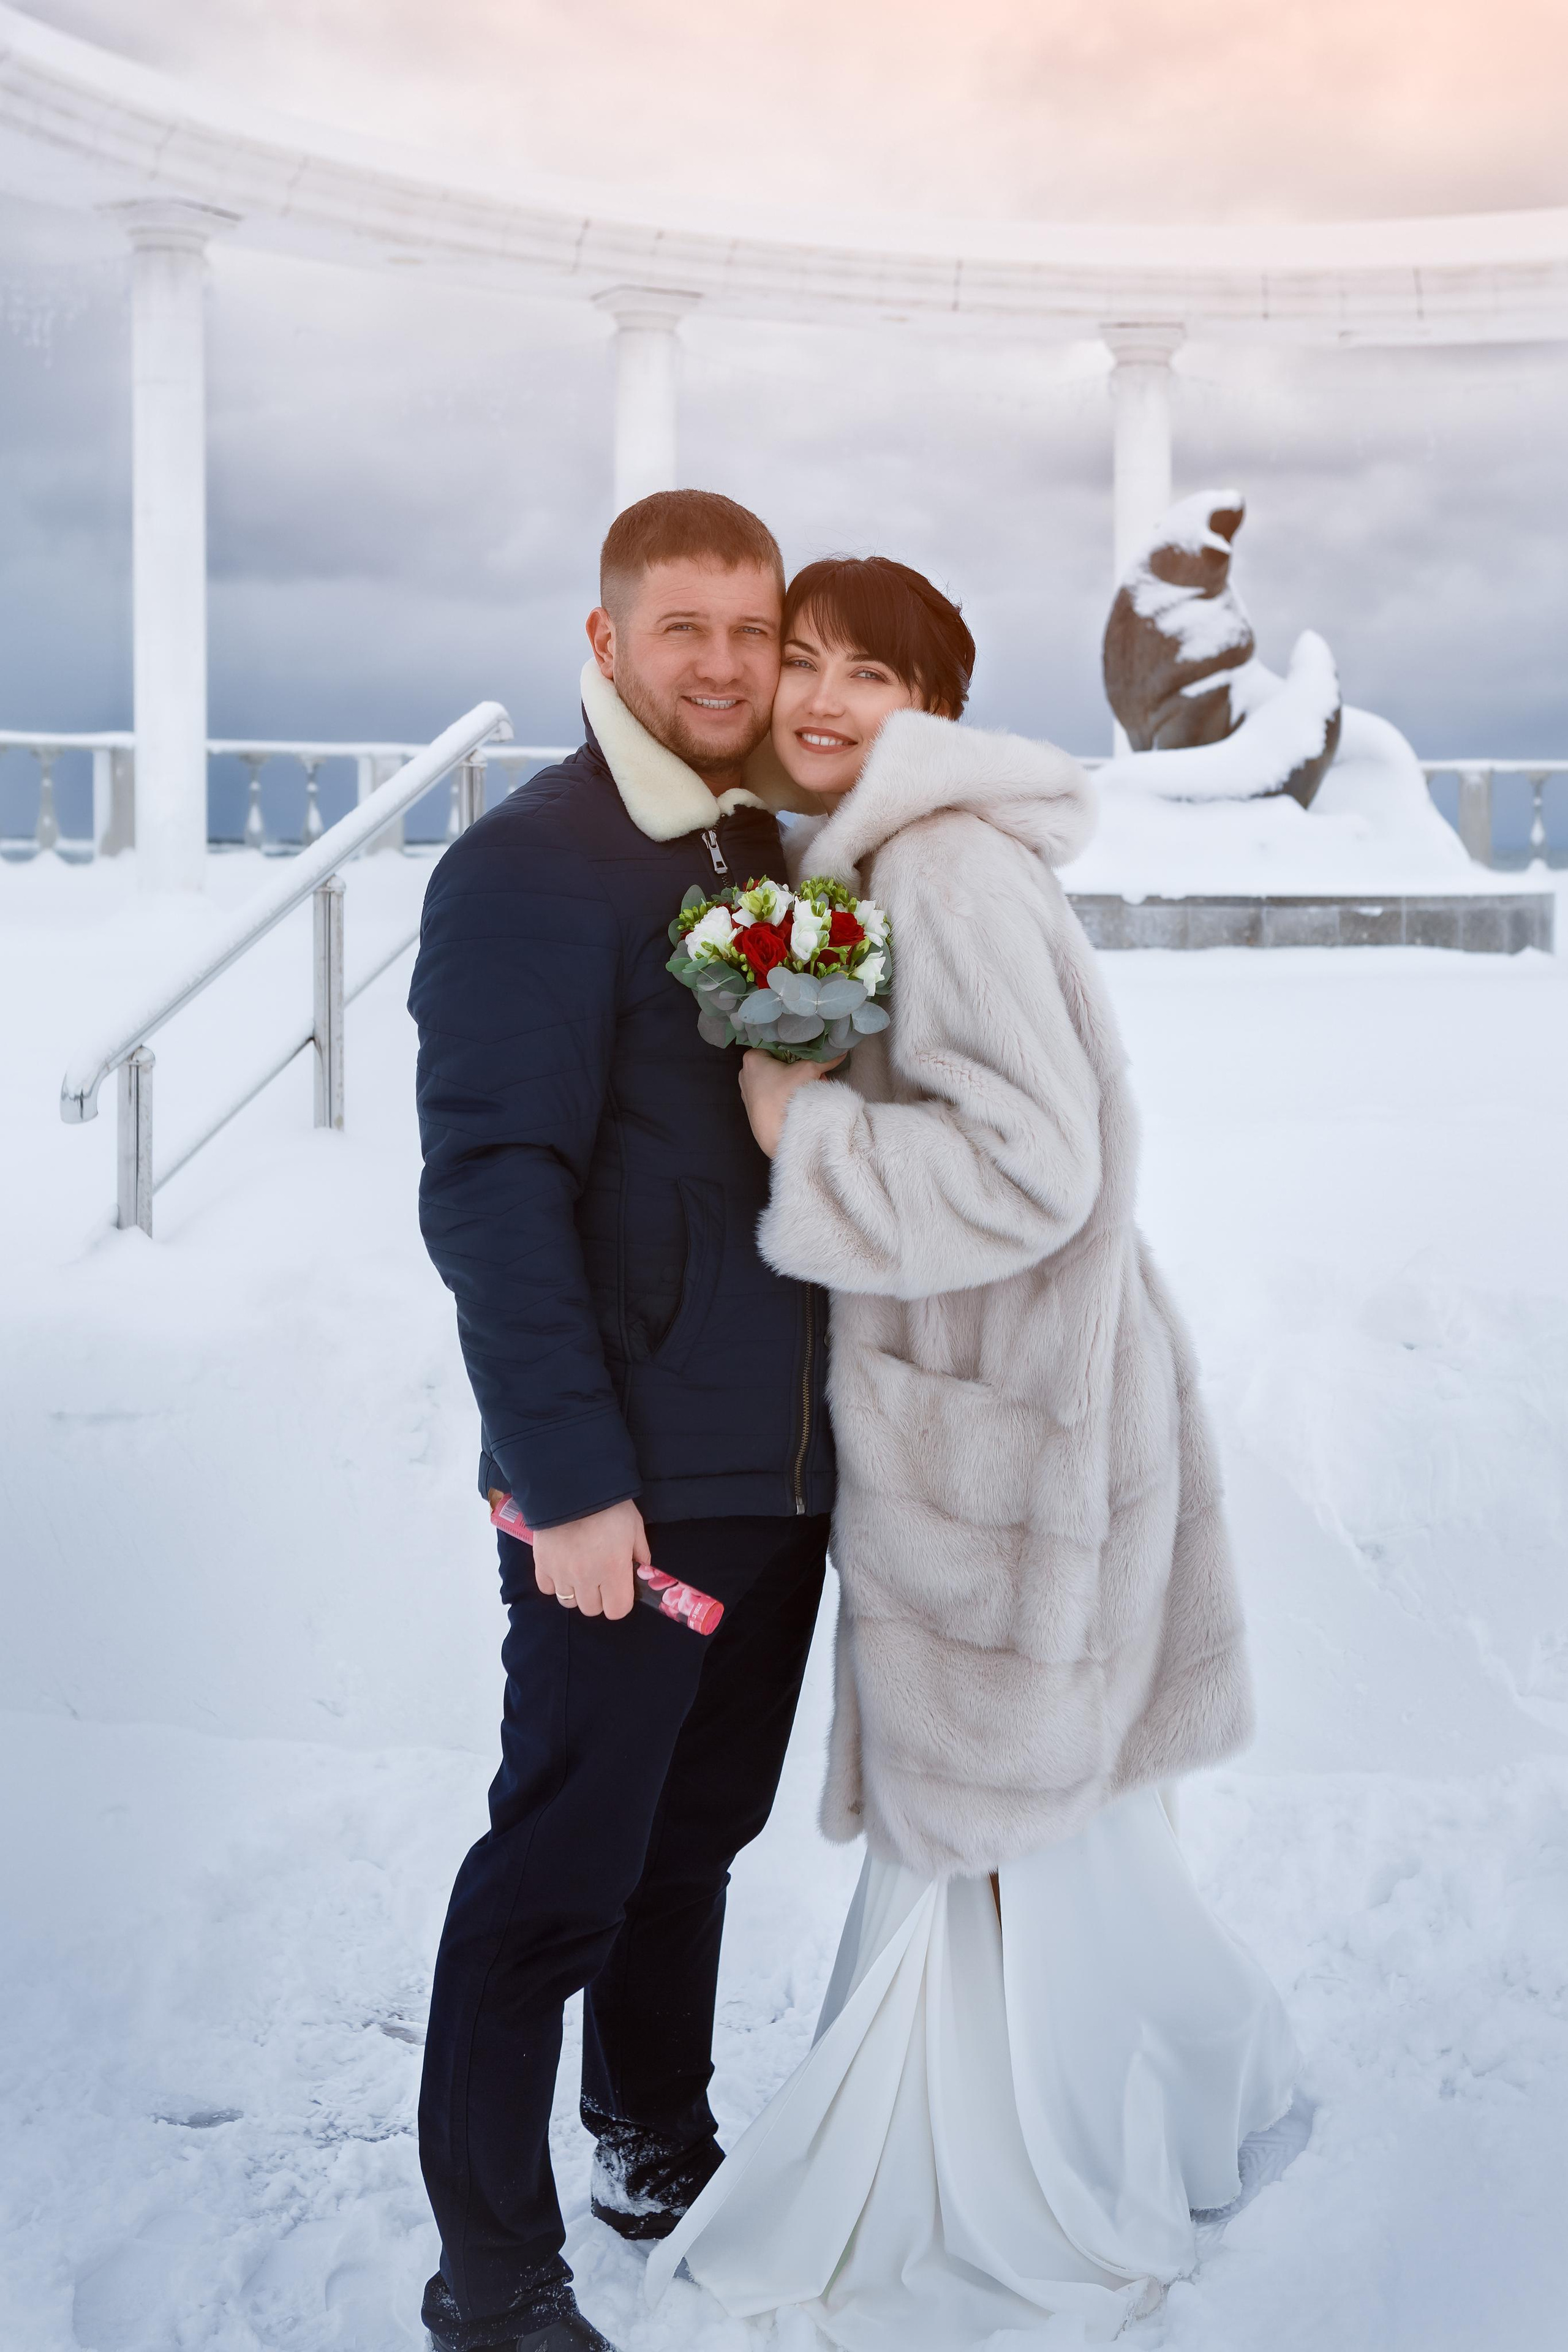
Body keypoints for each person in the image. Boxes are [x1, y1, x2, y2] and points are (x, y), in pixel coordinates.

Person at [647, 556, 1301, 2348]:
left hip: (1015, 1423)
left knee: (995, 1825)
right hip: (1009, 1407)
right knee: (1040, 1833)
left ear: (936, 704)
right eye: (803, 662)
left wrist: (807, 1137)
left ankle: (1009, 2169)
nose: (826, 699)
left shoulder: (937, 865)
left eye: (877, 672)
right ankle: (1125, 2103)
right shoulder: (872, 863)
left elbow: (1035, 1167)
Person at [407, 491, 835, 2352]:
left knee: (697, 1833)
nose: (727, 665)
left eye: (754, 630)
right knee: (560, 1868)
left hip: (777, 1468)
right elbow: (490, 1191)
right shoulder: (533, 869)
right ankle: (489, 2270)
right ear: (607, 644)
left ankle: (653, 2135)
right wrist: (573, 1485)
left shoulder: (774, 851)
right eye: (686, 630)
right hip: (626, 1496)